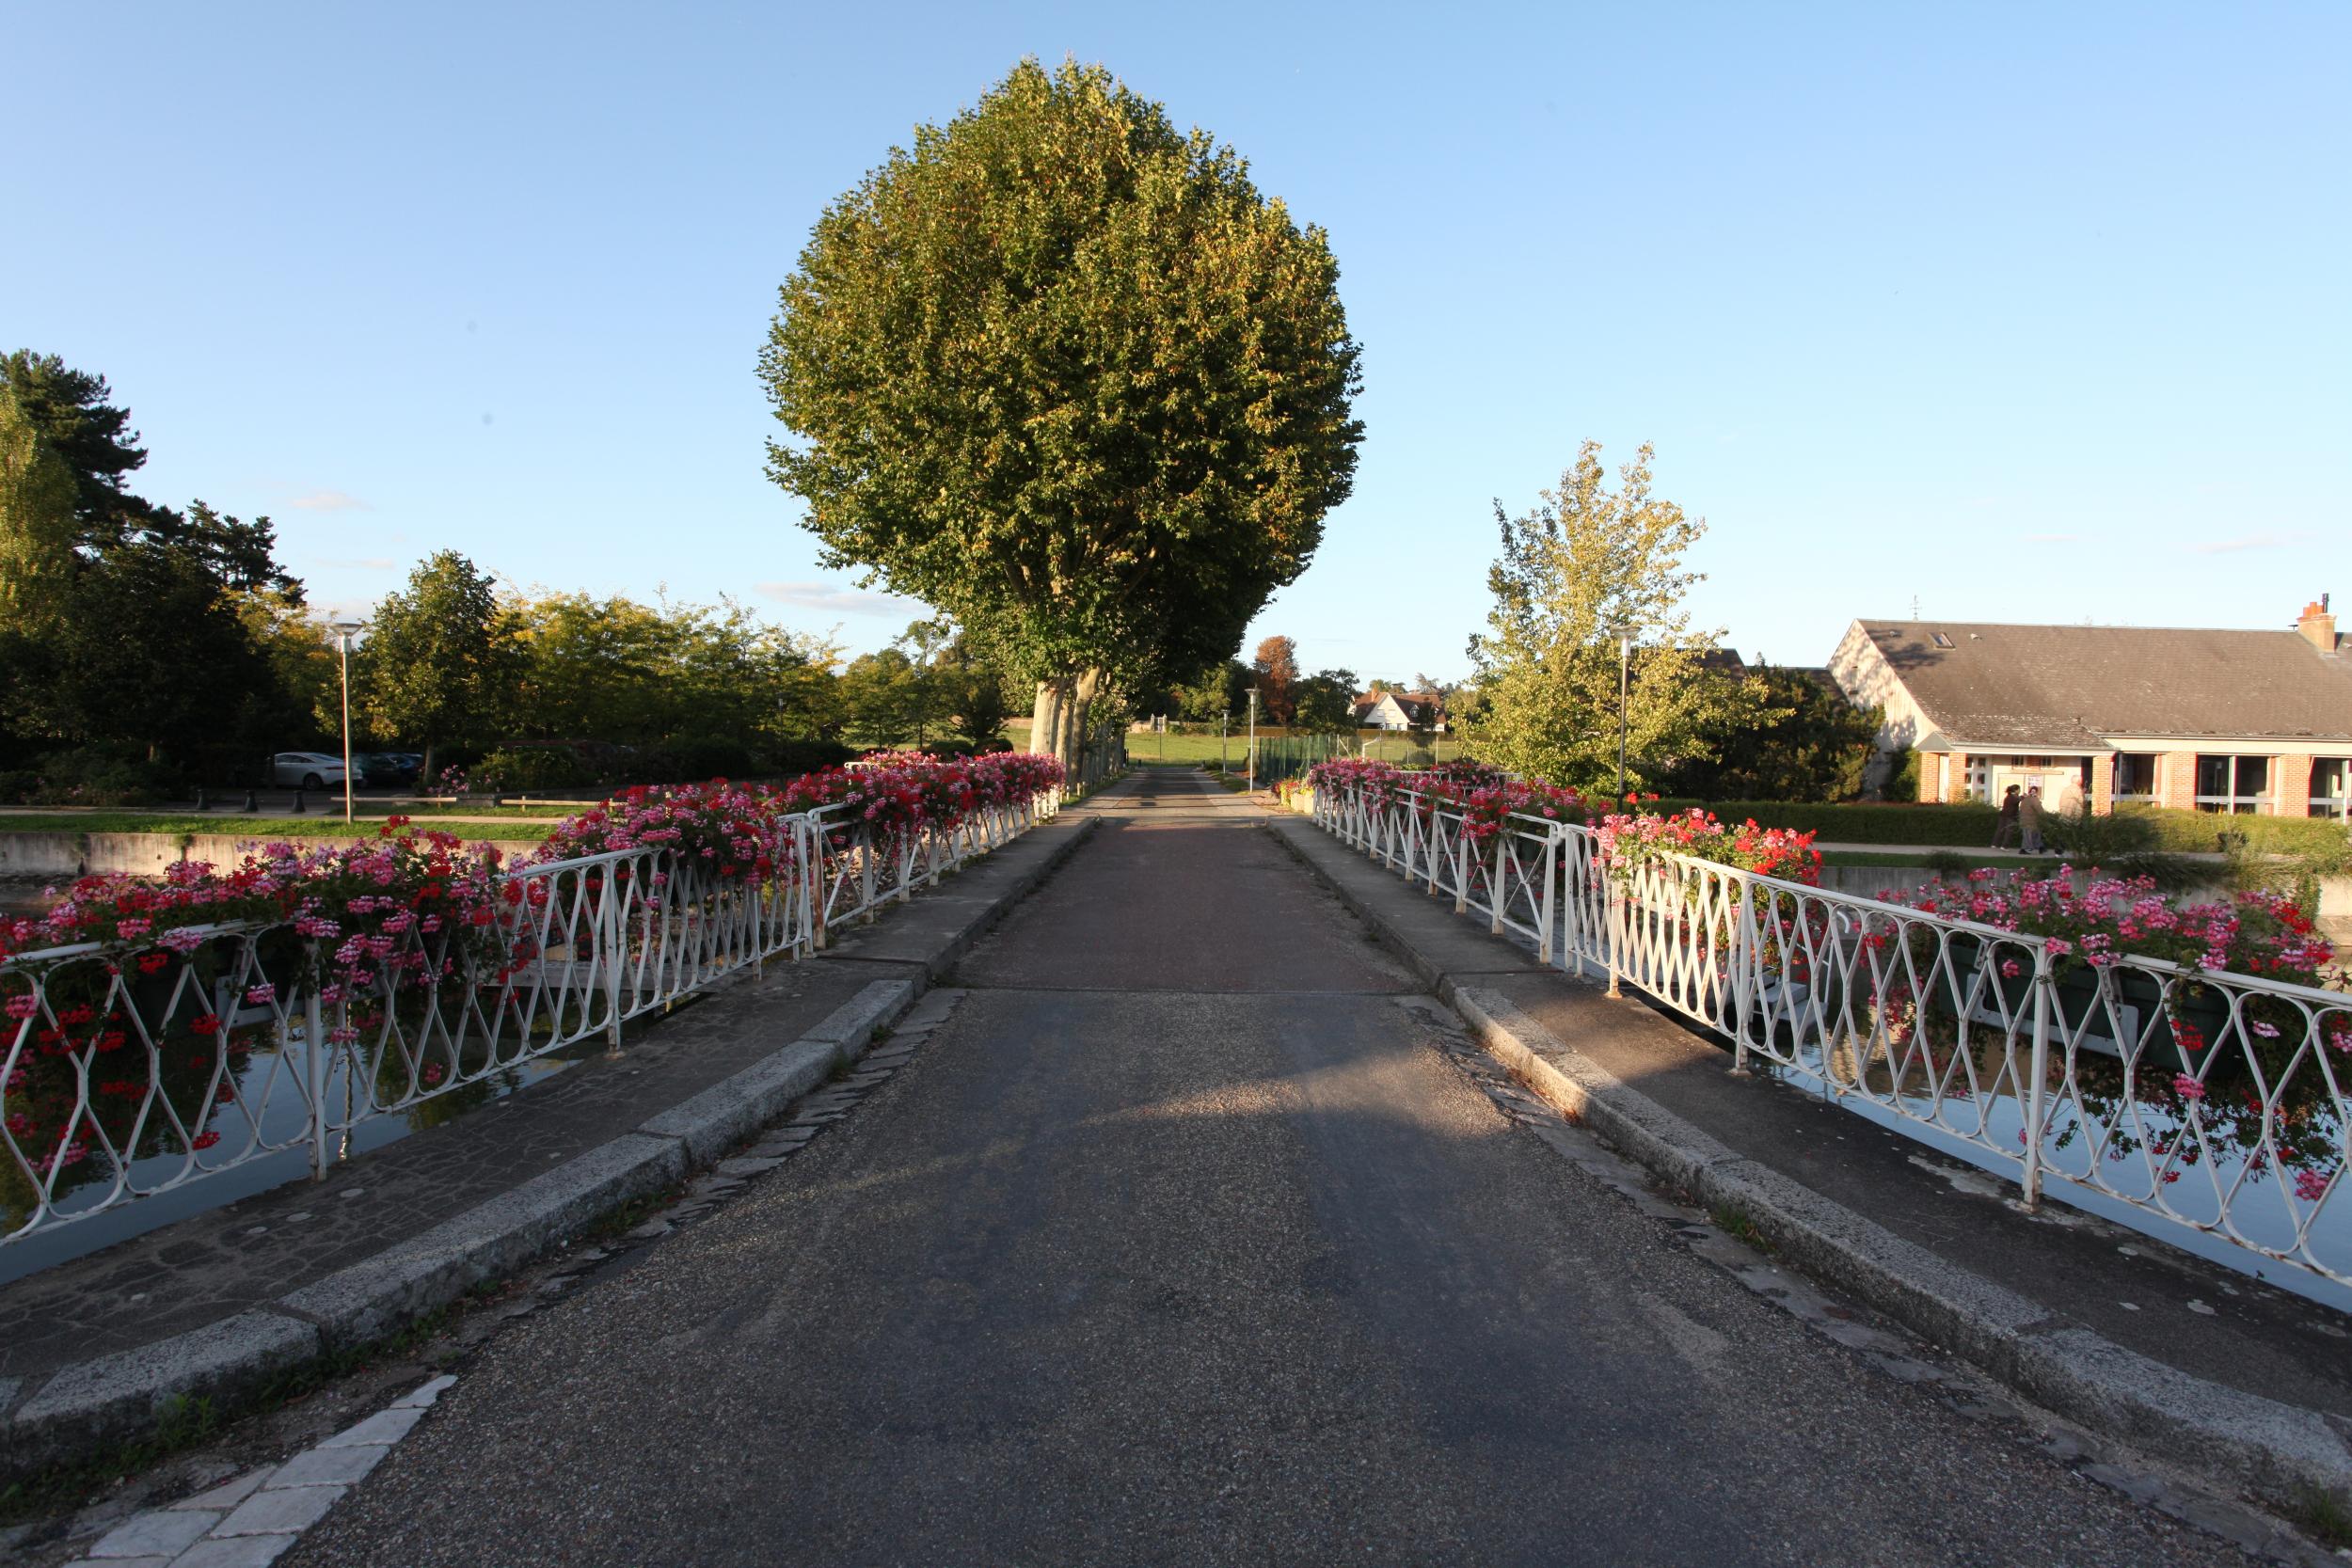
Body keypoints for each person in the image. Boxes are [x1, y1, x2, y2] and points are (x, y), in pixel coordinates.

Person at [1993, 784, 2021, 850]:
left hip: (2003, 815)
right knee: (2009, 831)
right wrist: (2024, 796)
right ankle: (2004, 846)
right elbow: (2018, 799)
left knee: (2000, 829)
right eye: (2019, 789)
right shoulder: (2014, 797)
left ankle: (1995, 844)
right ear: (2016, 790)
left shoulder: (2008, 796)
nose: (2020, 791)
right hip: (2010, 816)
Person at [2019, 784, 2045, 855]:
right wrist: (2044, 816)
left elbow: (2021, 809)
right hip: (2032, 820)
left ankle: (2040, 847)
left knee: (2031, 834)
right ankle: (2027, 849)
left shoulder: (2025, 799)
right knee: (2031, 835)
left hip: (2024, 819)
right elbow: (2039, 809)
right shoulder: (2034, 799)